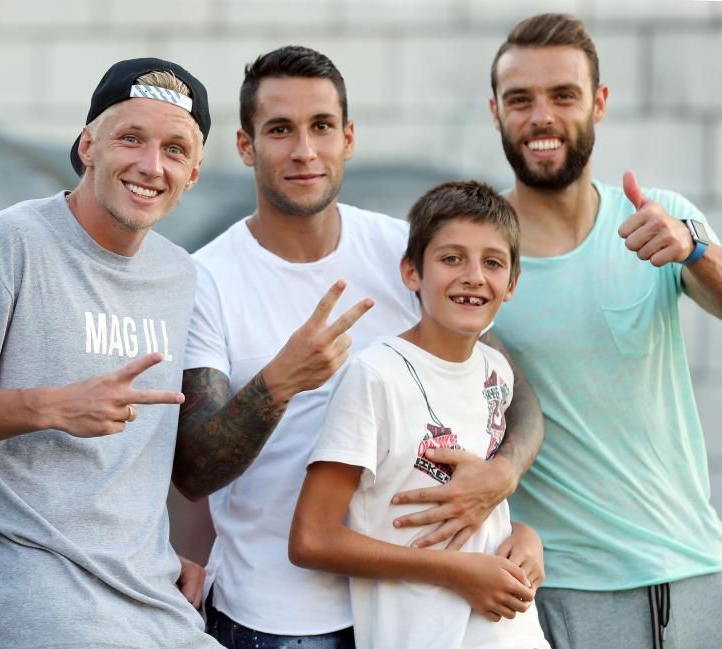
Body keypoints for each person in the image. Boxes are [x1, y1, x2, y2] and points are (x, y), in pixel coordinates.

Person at [175, 45, 545, 648]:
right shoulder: (206, 280)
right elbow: (193, 471)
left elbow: (511, 392)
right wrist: (279, 383)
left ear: (348, 138)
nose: (304, 150)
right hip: (285, 620)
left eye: (321, 127)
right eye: (279, 130)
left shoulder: (407, 252)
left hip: (415, 612)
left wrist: (501, 479)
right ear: (246, 147)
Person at [0, 57, 221, 648]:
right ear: (87, 145)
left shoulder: (182, 276)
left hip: (149, 598)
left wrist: (159, 558)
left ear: (193, 174)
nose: (151, 166)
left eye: (175, 150)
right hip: (36, 597)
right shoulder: (7, 243)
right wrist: (51, 407)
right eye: (131, 139)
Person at [487, 13, 722, 649]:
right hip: (556, 587)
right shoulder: (479, 261)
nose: (542, 116)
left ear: (599, 103)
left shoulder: (661, 219)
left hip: (692, 570)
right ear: (496, 112)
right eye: (521, 99)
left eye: (564, 95)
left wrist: (695, 249)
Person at [290, 180, 551, 649]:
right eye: (452, 259)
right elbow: (311, 539)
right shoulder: (376, 375)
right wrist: (454, 572)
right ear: (412, 272)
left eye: (492, 262)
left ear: (511, 283)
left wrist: (524, 537)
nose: (473, 275)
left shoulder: (497, 372)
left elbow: (479, 507)